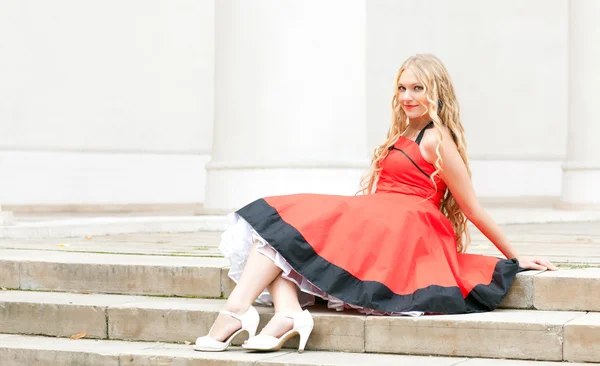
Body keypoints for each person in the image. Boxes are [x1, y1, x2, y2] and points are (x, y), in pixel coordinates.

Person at [193, 54, 558, 353]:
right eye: (402, 88)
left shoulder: (437, 139)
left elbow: (472, 207)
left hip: (408, 225)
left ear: (437, 92)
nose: (407, 96)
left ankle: (238, 312)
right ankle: (286, 313)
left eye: (418, 88)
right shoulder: (405, 132)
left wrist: (514, 257)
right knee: (279, 231)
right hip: (381, 216)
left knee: (287, 221)